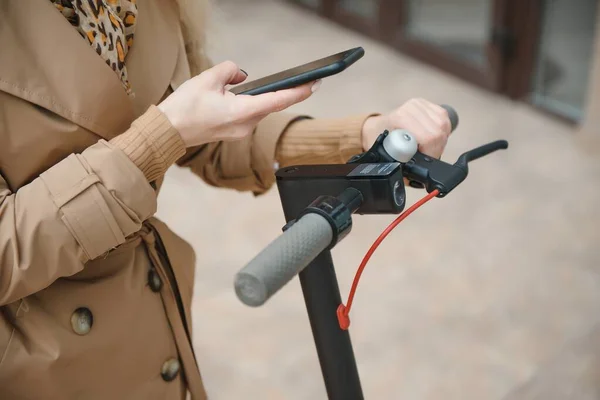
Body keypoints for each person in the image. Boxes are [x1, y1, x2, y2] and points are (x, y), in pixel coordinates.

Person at [0, 1, 452, 399]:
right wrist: (162, 135)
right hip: (41, 349)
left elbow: (207, 137)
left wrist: (362, 135)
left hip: (150, 304)